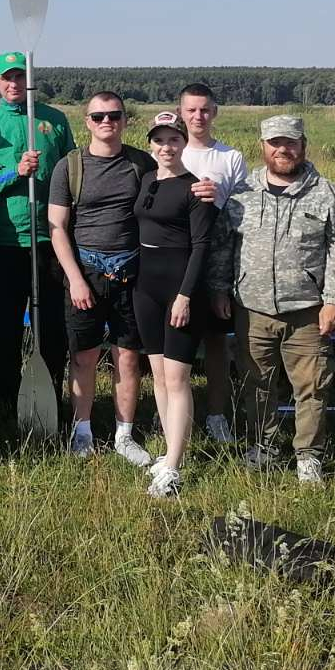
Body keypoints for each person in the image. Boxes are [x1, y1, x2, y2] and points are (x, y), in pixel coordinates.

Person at [209, 115, 335, 486]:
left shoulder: (326, 194)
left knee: (313, 386)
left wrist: (334, 300)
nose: (282, 150)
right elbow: (224, 244)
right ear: (263, 146)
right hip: (252, 307)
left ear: (303, 144)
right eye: (275, 143)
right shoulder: (242, 192)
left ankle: (308, 455)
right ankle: (264, 446)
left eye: (290, 142)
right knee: (256, 381)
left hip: (307, 310)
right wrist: (220, 288)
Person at [48, 93, 159, 466]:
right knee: (83, 357)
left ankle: (124, 435)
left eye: (114, 116)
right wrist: (75, 279)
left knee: (128, 357)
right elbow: (58, 228)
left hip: (131, 272)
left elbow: (164, 206)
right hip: (86, 272)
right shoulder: (70, 166)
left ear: (125, 120)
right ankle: (82, 431)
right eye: (99, 116)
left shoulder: (141, 164)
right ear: (87, 122)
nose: (107, 122)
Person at [0, 52, 75, 416]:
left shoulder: (54, 120)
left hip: (49, 241)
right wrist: (15, 171)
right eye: (7, 78)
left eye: (20, 77)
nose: (14, 84)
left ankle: (51, 398)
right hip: (6, 242)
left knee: (52, 328)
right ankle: (7, 402)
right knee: (6, 328)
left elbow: (72, 172)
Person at [131, 112, 217, 499]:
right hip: (144, 287)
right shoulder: (147, 179)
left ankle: (173, 467)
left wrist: (185, 295)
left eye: (173, 140)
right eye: (160, 140)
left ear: (184, 144)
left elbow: (201, 247)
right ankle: (169, 449)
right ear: (151, 144)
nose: (166, 147)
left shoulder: (195, 189)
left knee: (178, 377)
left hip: (180, 290)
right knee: (159, 375)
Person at [176, 83, 249, 445]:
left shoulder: (230, 158)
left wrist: (216, 196)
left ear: (215, 112)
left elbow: (242, 215)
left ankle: (217, 415)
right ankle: (177, 416)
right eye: (191, 110)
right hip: (177, 263)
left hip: (217, 264)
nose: (198, 117)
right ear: (180, 112)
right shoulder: (170, 152)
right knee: (178, 346)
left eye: (204, 110)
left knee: (218, 343)